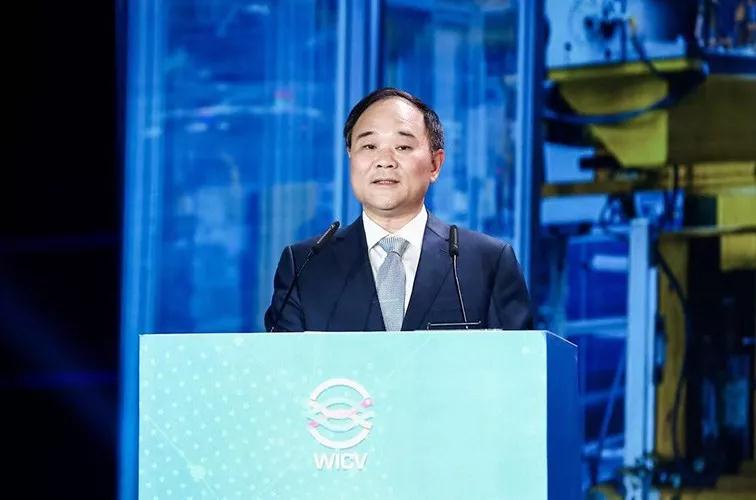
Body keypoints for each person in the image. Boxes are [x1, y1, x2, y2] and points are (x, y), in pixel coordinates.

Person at [264, 88, 531, 332]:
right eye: (369, 146)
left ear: (435, 164)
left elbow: (521, 364)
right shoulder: (305, 266)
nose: (384, 161)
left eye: (403, 147)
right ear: (351, 157)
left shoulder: (487, 262)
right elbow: (281, 366)